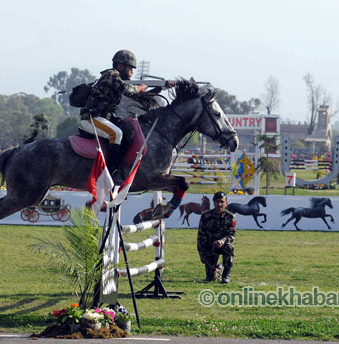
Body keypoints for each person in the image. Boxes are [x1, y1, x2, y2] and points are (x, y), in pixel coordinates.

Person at [79, 49, 176, 179]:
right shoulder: (111, 75)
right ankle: (113, 172)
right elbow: (129, 90)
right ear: (120, 66)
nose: (132, 72)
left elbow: (138, 95)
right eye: (130, 68)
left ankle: (121, 165)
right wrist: (141, 87)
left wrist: (161, 88)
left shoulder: (116, 78)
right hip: (92, 118)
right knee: (116, 133)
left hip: (104, 118)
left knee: (128, 131)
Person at [197, 191, 236, 283]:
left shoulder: (230, 217)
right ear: (213, 202)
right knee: (210, 278)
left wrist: (222, 241)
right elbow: (200, 236)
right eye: (217, 201)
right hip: (210, 247)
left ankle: (226, 274)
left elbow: (231, 235)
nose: (219, 204)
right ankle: (217, 269)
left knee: (229, 248)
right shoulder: (205, 216)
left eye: (222, 202)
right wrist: (202, 255)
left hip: (223, 245)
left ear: (226, 203)